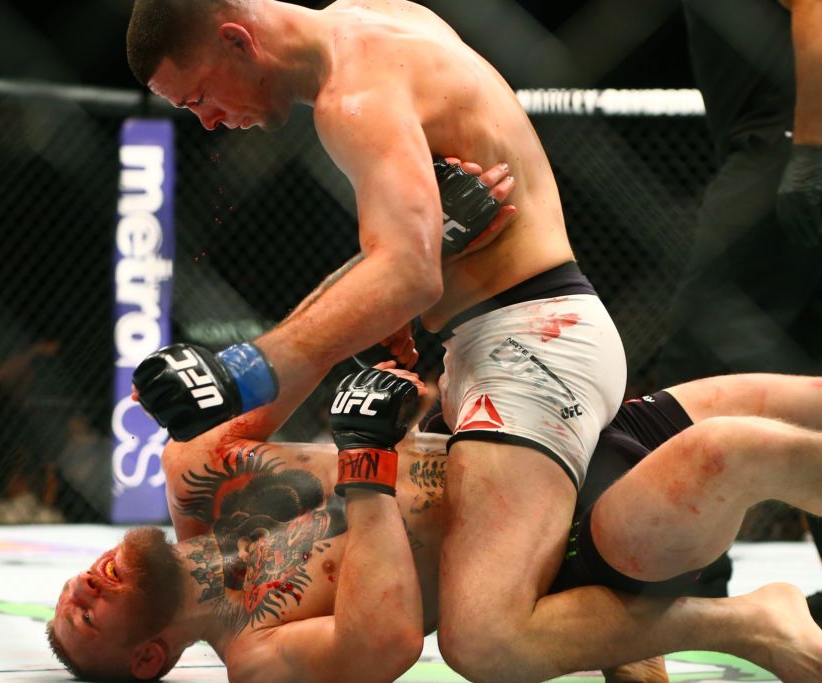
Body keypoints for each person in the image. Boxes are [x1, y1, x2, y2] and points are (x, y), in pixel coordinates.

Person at [124, 0, 631, 677]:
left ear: (237, 39)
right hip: (487, 346)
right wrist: (428, 254)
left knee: (483, 638)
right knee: (201, 458)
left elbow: (407, 272)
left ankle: (737, 620)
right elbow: (411, 265)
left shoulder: (351, 96)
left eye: (199, 97)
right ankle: (587, 559)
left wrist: (245, 367)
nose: (209, 121)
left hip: (533, 339)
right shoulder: (378, 20)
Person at [47, 365, 822, 682]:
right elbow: (386, 631)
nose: (79, 586)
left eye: (69, 591)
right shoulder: (258, 653)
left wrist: (378, 391)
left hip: (542, 444)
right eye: (84, 621)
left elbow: (359, 410)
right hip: (571, 535)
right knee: (742, 455)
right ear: (146, 657)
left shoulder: (209, 494)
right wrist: (369, 466)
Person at [659, 0, 822, 631]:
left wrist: (806, 154)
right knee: (819, 377)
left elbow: (821, 9)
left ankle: (691, 575)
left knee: (697, 353)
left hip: (790, 144)